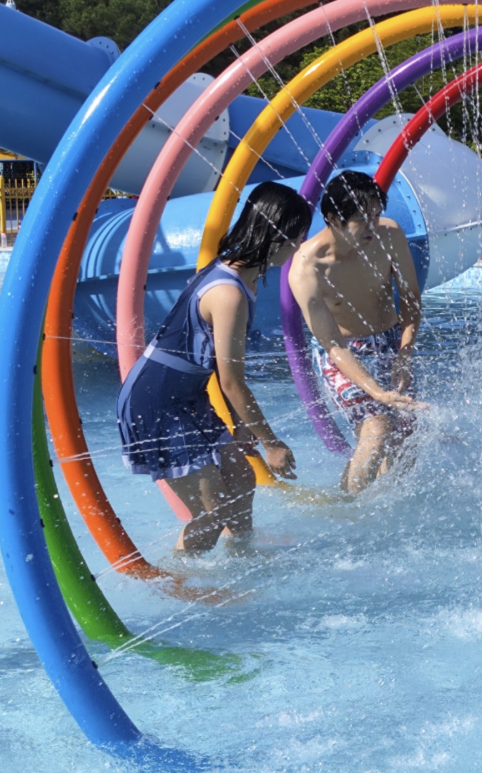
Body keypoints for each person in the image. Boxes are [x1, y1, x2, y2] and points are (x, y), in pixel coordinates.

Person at [117, 182, 309, 553]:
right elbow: (233, 382)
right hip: (155, 400)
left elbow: (221, 364)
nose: (300, 244)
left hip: (185, 395)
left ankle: (243, 561)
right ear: (275, 234)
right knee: (212, 510)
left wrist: (240, 426)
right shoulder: (228, 293)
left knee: (241, 480)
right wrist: (271, 443)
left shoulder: (241, 276)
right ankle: (179, 577)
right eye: (297, 235)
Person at [289, 170, 422, 494]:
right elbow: (333, 345)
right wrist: (376, 391)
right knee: (377, 429)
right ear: (333, 219)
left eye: (376, 215)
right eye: (362, 219)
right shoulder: (308, 267)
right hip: (345, 353)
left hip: (392, 341)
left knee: (406, 435)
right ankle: (348, 511)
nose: (373, 226)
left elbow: (411, 301)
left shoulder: (389, 236)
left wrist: (405, 353)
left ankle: (385, 506)